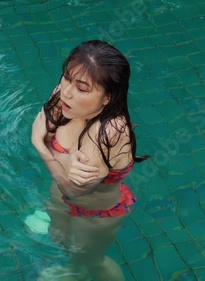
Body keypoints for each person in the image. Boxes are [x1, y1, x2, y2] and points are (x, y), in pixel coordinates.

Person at [31, 40, 147, 281]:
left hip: (95, 214)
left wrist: (40, 146)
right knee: (60, 239)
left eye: (82, 88)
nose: (67, 91)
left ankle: (80, 270)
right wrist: (65, 159)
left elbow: (76, 189)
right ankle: (73, 270)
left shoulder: (109, 131)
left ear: (107, 97)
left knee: (92, 260)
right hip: (59, 193)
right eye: (66, 77)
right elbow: (65, 177)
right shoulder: (63, 97)